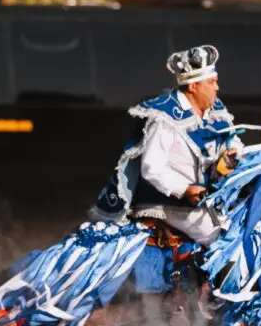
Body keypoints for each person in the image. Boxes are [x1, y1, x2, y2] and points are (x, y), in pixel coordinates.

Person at [91, 44, 243, 244]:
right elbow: (151, 168)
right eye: (212, 82)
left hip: (209, 199)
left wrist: (231, 152)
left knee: (247, 219)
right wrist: (185, 189)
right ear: (193, 86)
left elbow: (233, 140)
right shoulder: (165, 116)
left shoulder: (215, 109)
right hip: (169, 203)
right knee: (225, 239)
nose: (217, 87)